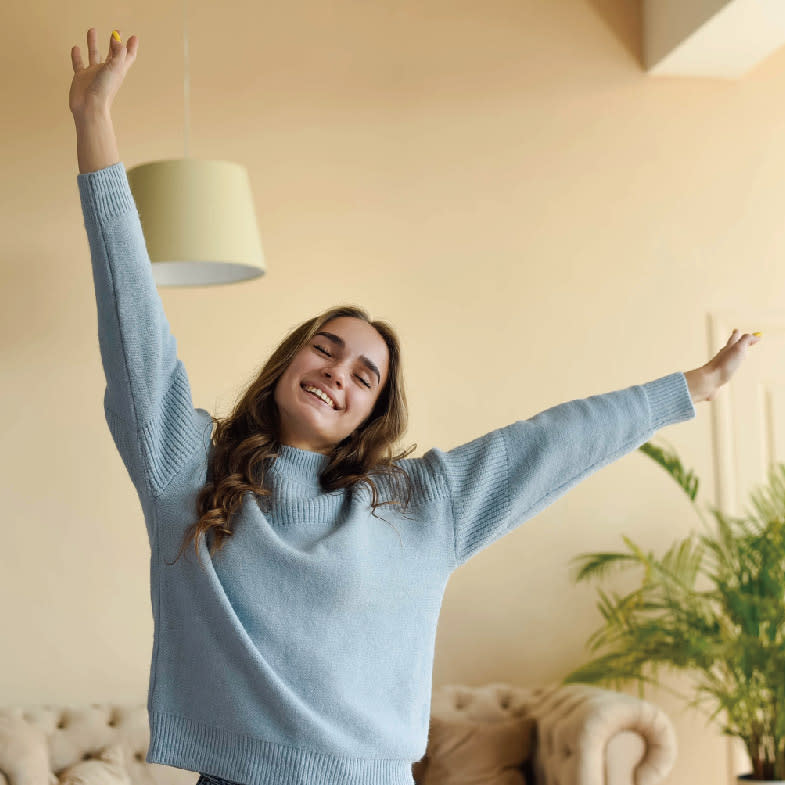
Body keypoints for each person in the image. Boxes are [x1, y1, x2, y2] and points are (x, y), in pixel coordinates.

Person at [70, 27, 762, 785]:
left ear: (371, 415)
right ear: (285, 365)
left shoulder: (415, 504)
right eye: (325, 348)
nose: (338, 372)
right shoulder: (186, 467)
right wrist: (93, 120)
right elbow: (132, 322)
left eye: (364, 375)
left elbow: (551, 441)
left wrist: (685, 389)